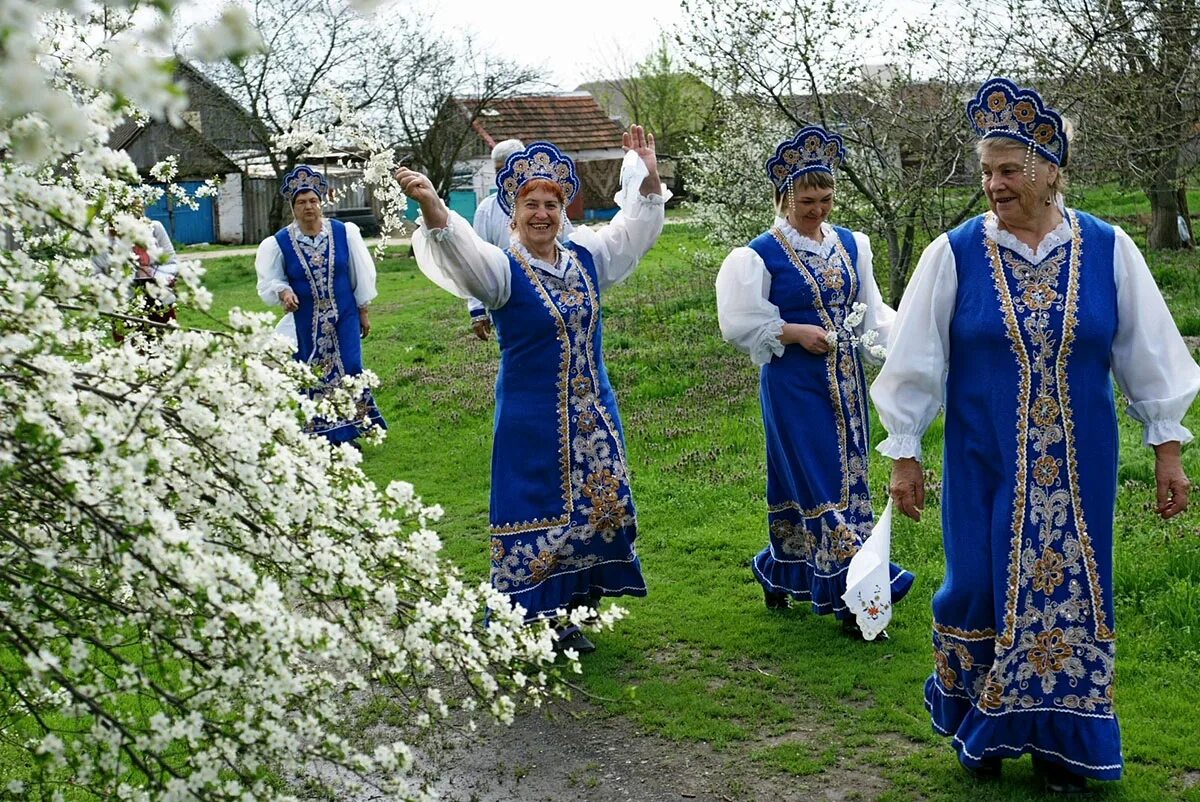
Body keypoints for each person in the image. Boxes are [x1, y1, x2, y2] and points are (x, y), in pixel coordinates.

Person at [870, 77, 1200, 792]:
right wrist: (904, 452)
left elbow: (1149, 353)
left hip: (1080, 469)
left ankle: (1061, 746)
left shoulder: (1108, 250)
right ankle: (985, 730)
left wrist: (1167, 446)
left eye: (1009, 170)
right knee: (978, 589)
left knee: (1075, 595)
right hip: (983, 459)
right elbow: (915, 361)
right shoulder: (953, 255)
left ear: (1051, 170)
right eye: (986, 170)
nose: (993, 184)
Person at [396, 126, 667, 653]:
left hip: (593, 414)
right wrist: (432, 204)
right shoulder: (503, 270)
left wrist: (647, 171)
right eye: (530, 205)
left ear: (563, 211)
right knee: (538, 513)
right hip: (531, 419)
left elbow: (635, 230)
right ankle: (540, 620)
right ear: (513, 213)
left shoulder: (586, 257)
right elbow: (459, 255)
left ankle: (570, 608)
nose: (542, 214)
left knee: (600, 509)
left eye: (551, 204)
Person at [715, 125, 914, 639]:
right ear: (784, 199)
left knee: (848, 483)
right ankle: (860, 599)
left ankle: (777, 569)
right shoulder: (759, 254)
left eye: (826, 198)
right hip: (793, 386)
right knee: (819, 488)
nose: (818, 209)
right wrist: (794, 330)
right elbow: (739, 322)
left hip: (845, 386)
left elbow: (870, 311)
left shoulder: (853, 245)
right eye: (807, 200)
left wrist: (906, 348)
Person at [255, 165, 386, 445]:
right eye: (301, 202)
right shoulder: (279, 243)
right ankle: (325, 436)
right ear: (293, 209)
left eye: (313, 200)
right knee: (315, 372)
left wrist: (363, 310)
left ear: (321, 203)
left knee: (350, 367)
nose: (308, 207)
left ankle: (354, 430)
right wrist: (284, 292)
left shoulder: (344, 233)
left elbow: (359, 274)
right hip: (307, 320)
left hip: (345, 315)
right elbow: (270, 281)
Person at [467, 138, 574, 340]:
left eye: (508, 169)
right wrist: (477, 309)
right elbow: (476, 260)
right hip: (508, 294)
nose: (504, 177)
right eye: (498, 170)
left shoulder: (549, 205)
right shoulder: (487, 209)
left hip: (553, 293)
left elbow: (570, 246)